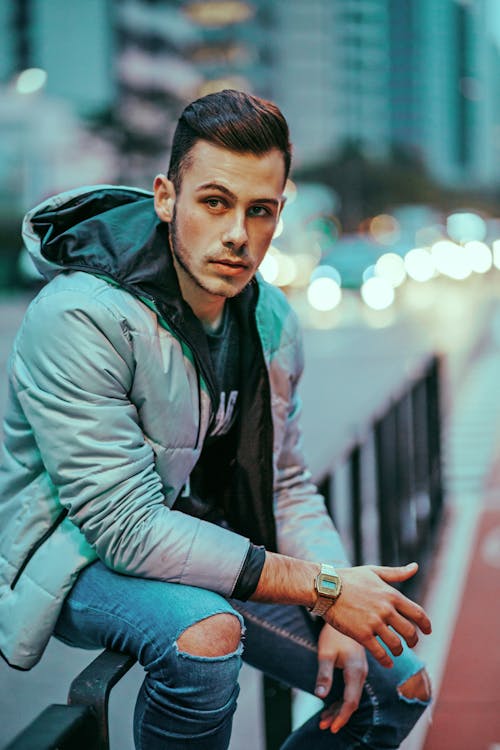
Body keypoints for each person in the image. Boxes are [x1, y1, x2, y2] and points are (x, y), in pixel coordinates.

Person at [0, 89, 431, 749]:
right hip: (71, 551)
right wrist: (324, 586)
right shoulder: (81, 317)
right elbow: (126, 530)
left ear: (280, 214)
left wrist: (340, 600)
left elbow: (285, 480)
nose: (237, 234)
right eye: (214, 202)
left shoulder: (269, 319)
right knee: (205, 638)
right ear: (167, 197)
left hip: (199, 539)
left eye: (259, 211)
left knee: (395, 684)